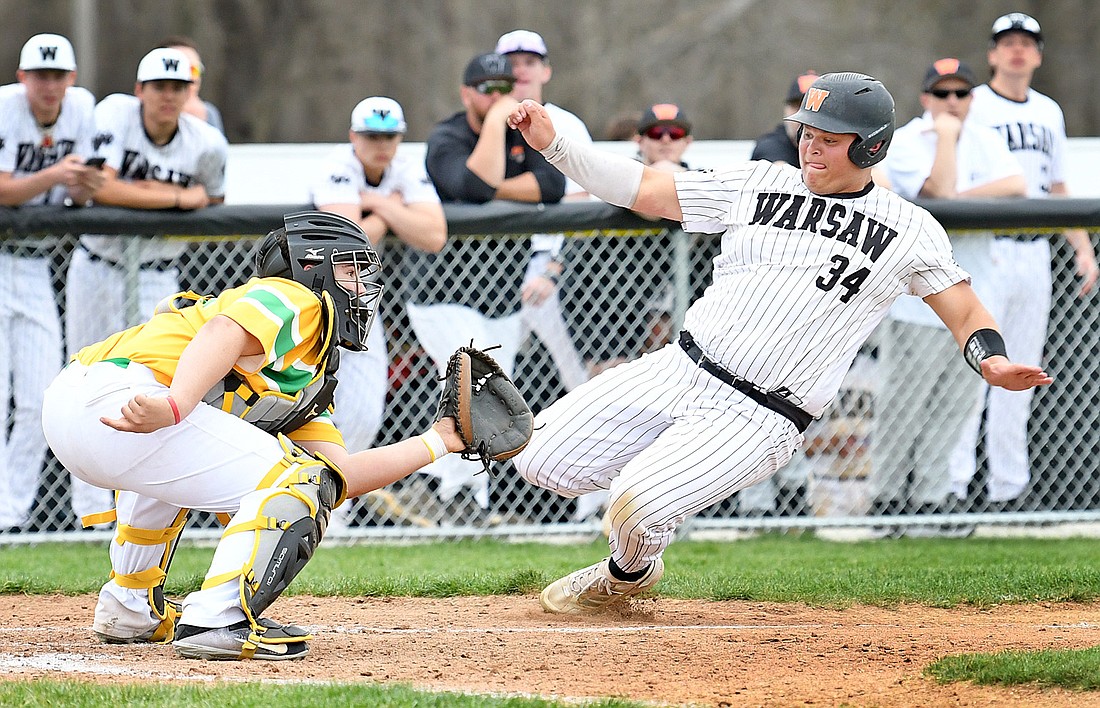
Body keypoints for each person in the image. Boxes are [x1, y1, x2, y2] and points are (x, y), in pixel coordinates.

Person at [507, 72, 1052, 614]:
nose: (811, 146)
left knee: (637, 506)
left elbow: (965, 312)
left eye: (830, 139)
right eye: (808, 132)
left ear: (871, 147)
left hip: (761, 414)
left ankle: (627, 572)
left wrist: (992, 360)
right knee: (536, 460)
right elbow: (642, 188)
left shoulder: (909, 228)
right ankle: (657, 476)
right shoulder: (760, 182)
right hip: (679, 368)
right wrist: (556, 145)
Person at [42, 210, 471, 660]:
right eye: (350, 269)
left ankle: (128, 607)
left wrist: (440, 440)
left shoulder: (309, 373)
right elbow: (223, 331)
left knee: (304, 476)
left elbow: (338, 475)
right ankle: (217, 620)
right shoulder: (300, 298)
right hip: (121, 397)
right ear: (311, 266)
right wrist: (176, 403)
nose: (362, 286)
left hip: (82, 407)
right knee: (294, 476)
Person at [63, 47, 229, 526]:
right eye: (159, 87)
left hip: (159, 273)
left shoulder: (207, 140)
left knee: (152, 386)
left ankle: (141, 510)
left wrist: (148, 198)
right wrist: (176, 197)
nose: (168, 96)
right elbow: (99, 188)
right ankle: (89, 512)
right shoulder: (115, 112)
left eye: (178, 88)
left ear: (189, 93)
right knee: (86, 381)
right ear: (140, 90)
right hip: (99, 265)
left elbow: (214, 200)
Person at [948, 13, 1099, 509]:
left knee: (1022, 371)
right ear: (992, 53)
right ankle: (953, 485)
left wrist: (1081, 247)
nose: (1017, 51)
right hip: (985, 245)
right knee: (977, 369)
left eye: (1026, 43)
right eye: (1007, 43)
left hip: (1034, 250)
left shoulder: (1049, 111)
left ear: (1037, 54)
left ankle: (1008, 489)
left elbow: (1056, 187)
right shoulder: (975, 104)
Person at [869, 58, 1026, 531]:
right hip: (917, 303)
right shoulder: (910, 140)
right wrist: (946, 138)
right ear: (925, 99)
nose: (952, 103)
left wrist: (961, 195)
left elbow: (1018, 185)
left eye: (961, 94)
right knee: (902, 406)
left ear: (973, 98)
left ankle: (932, 500)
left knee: (954, 408)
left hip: (974, 298)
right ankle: (887, 502)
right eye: (942, 94)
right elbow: (938, 188)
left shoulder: (988, 137)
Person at [411, 52, 564, 509]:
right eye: (486, 89)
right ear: (466, 93)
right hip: (442, 295)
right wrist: (498, 128)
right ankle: (455, 496)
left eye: (504, 89)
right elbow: (466, 183)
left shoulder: (526, 133)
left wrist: (490, 186)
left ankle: (455, 494)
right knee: (467, 389)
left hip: (501, 298)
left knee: (492, 398)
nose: (497, 98)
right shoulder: (446, 136)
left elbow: (552, 188)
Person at [310, 96, 446, 524]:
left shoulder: (405, 167)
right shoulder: (337, 164)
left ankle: (335, 510)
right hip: (312, 296)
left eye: (389, 136)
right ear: (353, 137)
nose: (380, 145)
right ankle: (299, 501)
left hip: (362, 298)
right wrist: (396, 210)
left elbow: (434, 234)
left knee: (367, 411)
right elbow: (348, 241)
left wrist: (380, 205)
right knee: (300, 402)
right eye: (371, 136)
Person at [0, 33, 104, 531]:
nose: (49, 85)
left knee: (37, 398)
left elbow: (85, 190)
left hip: (37, 264)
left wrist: (81, 184)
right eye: (40, 76)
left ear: (71, 79)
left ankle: (9, 514)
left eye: (57, 76)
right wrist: (58, 174)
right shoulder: (4, 107)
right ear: (22, 78)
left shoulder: (82, 108)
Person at [496, 29, 590, 394]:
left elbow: (582, 199)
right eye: (512, 63)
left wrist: (556, 266)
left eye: (530, 62)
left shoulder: (567, 125)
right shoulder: (486, 126)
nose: (521, 70)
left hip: (549, 259)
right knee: (487, 371)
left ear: (545, 71)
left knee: (575, 372)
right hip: (495, 265)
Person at [751, 70, 820, 166]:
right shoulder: (773, 145)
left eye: (811, 107)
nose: (803, 117)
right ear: (786, 109)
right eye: (797, 107)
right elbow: (779, 168)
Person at [158, 36, 224, 133]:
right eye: (179, 69)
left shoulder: (209, 113)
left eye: (194, 69)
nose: (189, 77)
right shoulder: (137, 112)